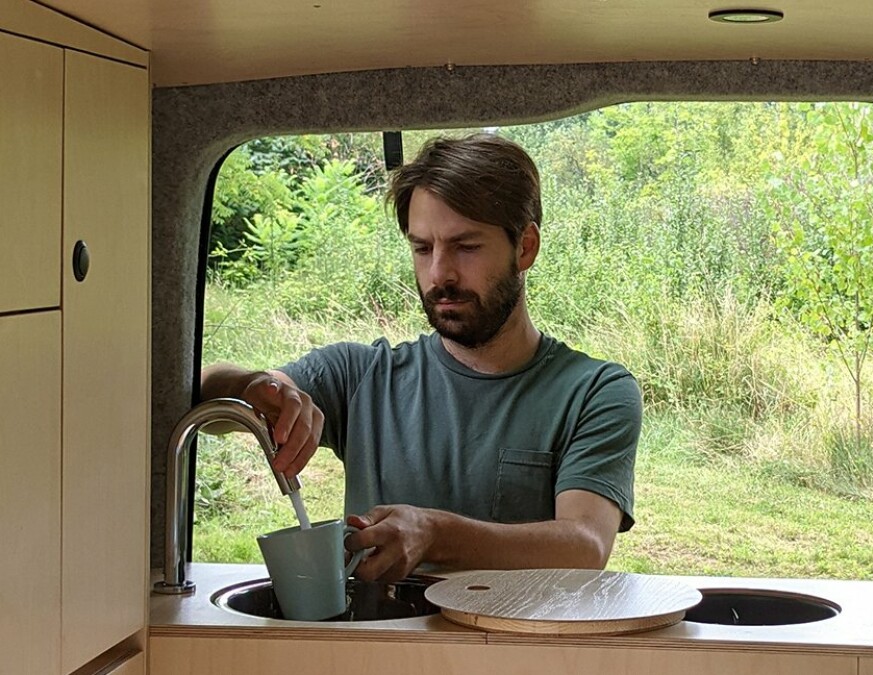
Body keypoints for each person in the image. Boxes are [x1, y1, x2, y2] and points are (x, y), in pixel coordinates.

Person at [200, 133, 642, 582]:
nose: (439, 275)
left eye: (466, 247)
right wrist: (249, 387)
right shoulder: (360, 376)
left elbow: (585, 545)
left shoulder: (594, 392)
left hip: (519, 649)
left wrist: (434, 534)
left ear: (525, 247)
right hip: (382, 644)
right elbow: (204, 392)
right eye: (422, 248)